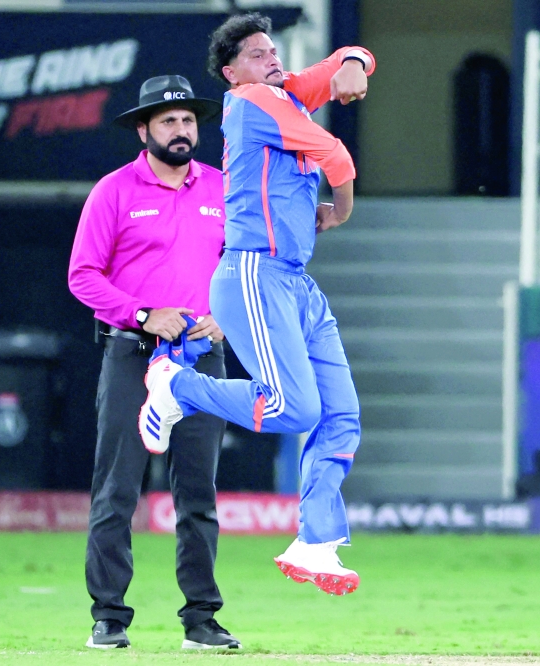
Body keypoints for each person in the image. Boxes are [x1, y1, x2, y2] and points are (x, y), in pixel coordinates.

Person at [137, 13, 375, 596]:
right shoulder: (251, 101)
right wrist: (341, 210)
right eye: (258, 53)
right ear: (231, 71)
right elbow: (336, 156)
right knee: (293, 410)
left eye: (274, 50)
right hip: (253, 270)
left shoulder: (285, 92)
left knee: (340, 414)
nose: (272, 59)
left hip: (295, 281)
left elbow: (355, 55)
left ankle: (316, 542)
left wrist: (351, 63)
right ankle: (176, 386)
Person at [67, 75, 240, 651]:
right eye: (168, 121)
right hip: (132, 354)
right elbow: (82, 276)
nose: (181, 129)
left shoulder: (222, 187)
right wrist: (143, 315)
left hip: (201, 356)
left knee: (199, 493)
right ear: (143, 130)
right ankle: (109, 616)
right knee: (117, 489)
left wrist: (228, 316)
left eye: (188, 120)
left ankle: (201, 619)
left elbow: (246, 267)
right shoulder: (114, 191)